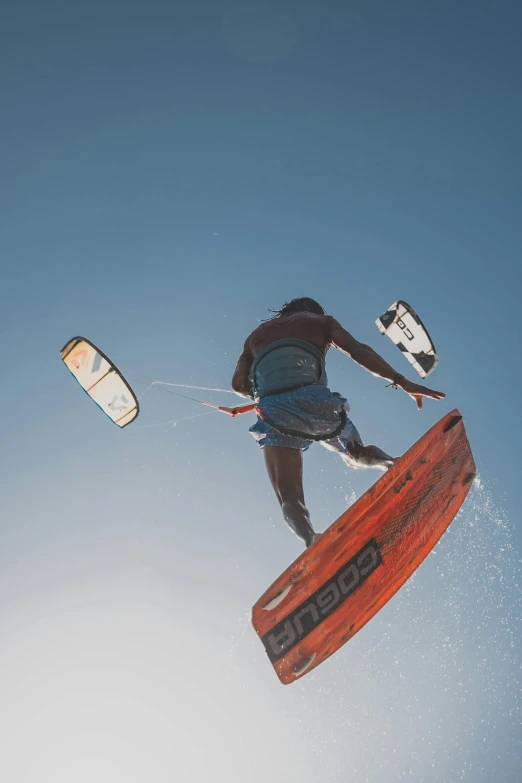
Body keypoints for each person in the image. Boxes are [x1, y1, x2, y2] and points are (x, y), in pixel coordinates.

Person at [231, 297, 446, 548]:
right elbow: (358, 351)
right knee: (357, 453)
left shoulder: (254, 336)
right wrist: (402, 381)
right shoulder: (322, 321)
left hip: (274, 412)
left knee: (289, 497)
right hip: (317, 401)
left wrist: (268, 392)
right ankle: (393, 464)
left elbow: (239, 385)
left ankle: (311, 541)